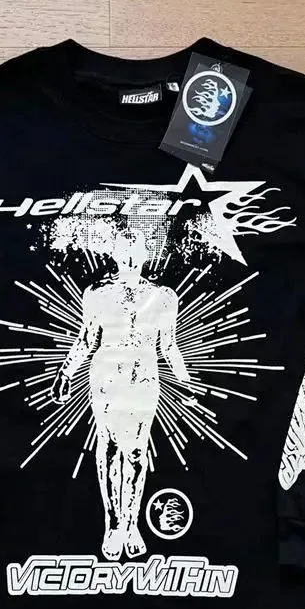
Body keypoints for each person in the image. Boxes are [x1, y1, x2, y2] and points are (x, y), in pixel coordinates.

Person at [51, 226, 192, 560]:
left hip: (144, 379)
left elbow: (168, 345)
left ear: (145, 254)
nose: (129, 258)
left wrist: (185, 382)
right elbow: (88, 338)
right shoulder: (97, 294)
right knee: (111, 446)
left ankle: (131, 523)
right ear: (114, 254)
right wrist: (66, 372)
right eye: (123, 251)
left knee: (137, 452)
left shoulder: (164, 296)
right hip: (107, 378)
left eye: (135, 251)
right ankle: (113, 523)